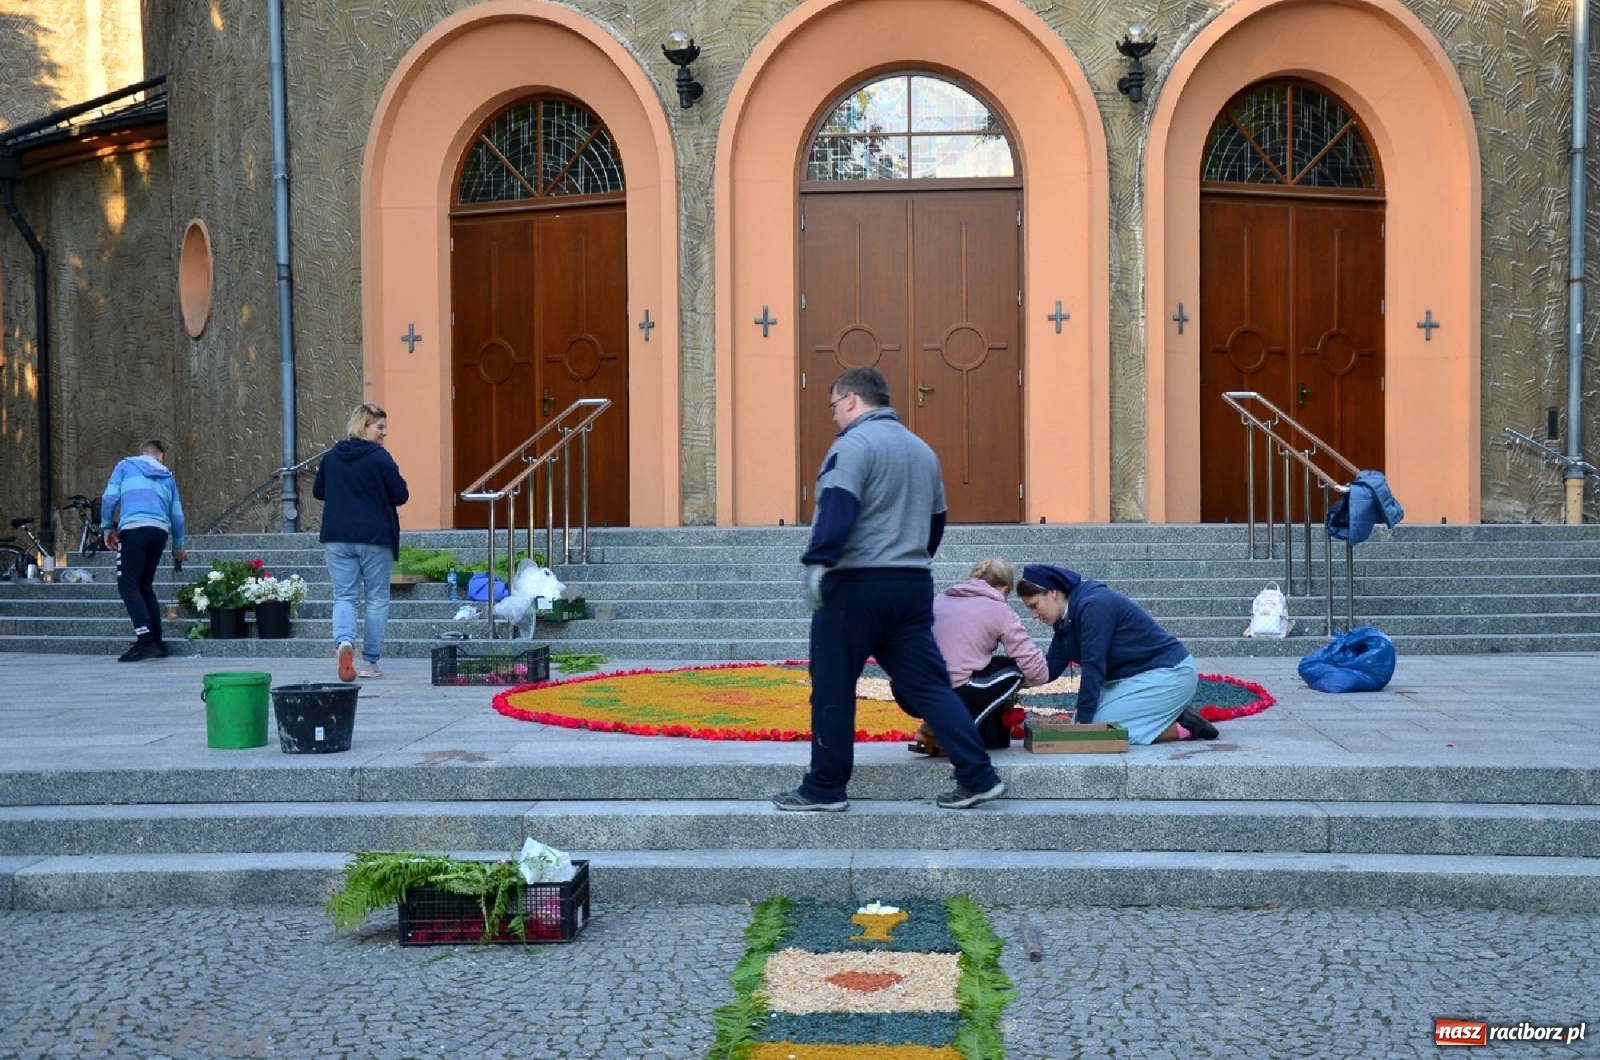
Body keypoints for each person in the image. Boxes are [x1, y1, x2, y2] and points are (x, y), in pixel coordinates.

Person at [774, 367, 1006, 812]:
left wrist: (819, 562)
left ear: (849, 401)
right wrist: (913, 560)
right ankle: (977, 775)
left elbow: (838, 506)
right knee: (932, 686)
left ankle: (825, 788)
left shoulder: (852, 446)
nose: (834, 419)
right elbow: (937, 521)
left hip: (855, 586)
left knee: (832, 687)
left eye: (833, 408)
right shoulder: (922, 451)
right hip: (911, 586)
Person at [1016, 563, 1217, 744]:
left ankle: (1185, 728)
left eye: (1034, 605)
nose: (1033, 615)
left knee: (1100, 728)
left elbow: (1093, 665)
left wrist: (1084, 727)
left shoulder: (1094, 605)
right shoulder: (1066, 618)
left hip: (1170, 674)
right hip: (1137, 677)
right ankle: (1165, 717)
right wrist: (1011, 680)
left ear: (1052, 593)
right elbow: (1050, 668)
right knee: (1084, 723)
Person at [898, 557, 1048, 756]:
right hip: (950, 695)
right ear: (1004, 589)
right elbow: (1036, 669)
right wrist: (1027, 682)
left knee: (951, 672)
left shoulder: (939, 600)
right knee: (1013, 670)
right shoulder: (1000, 610)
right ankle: (953, 735)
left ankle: (929, 729)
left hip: (908, 694)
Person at [314, 403, 409, 681]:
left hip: (337, 537)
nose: (384, 433)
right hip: (374, 537)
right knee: (377, 599)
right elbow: (401, 494)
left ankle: (344, 642)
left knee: (344, 596)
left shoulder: (332, 457)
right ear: (363, 426)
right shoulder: (380, 459)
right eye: (379, 427)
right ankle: (370, 662)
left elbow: (319, 490)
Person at [101, 439, 187, 662]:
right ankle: (156, 641)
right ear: (160, 456)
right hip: (159, 532)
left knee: (128, 586)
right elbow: (177, 516)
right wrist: (178, 547)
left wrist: (107, 527)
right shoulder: (167, 476)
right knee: (144, 585)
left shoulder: (125, 466)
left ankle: (145, 641)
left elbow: (109, 498)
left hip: (134, 529)